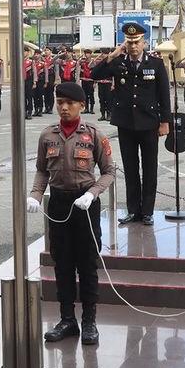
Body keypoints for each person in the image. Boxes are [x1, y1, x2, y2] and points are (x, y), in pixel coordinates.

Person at [27, 82, 115, 345]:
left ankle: (89, 321)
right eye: (59, 102)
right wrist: (34, 194)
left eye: (70, 103)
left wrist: (93, 193)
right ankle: (67, 319)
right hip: (59, 204)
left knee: (87, 264)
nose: (63, 108)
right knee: (62, 263)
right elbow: (42, 169)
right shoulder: (47, 135)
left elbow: (109, 171)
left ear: (82, 106)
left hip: (85, 204)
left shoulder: (95, 135)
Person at [90, 22, 170, 226]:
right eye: (130, 42)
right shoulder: (119, 62)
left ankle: (148, 211)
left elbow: (164, 95)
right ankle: (133, 210)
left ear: (144, 43)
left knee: (150, 168)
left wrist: (165, 122)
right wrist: (113, 54)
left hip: (149, 123)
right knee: (130, 168)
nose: (133, 46)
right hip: (126, 123)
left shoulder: (156, 64)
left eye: (137, 42)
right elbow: (95, 74)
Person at [94, 49, 114, 122]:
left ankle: (109, 114)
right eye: (102, 54)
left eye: (105, 54)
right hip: (101, 83)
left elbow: (114, 75)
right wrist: (95, 82)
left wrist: (113, 84)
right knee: (101, 99)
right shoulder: (100, 63)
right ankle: (102, 115)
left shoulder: (111, 63)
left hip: (108, 83)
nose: (103, 55)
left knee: (108, 100)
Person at [32, 50, 48, 118]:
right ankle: (36, 110)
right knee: (34, 96)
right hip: (33, 81)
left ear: (40, 55)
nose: (36, 55)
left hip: (41, 81)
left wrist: (46, 81)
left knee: (40, 96)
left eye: (38, 54)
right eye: (35, 54)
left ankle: (40, 110)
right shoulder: (32, 63)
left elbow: (46, 73)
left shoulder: (43, 63)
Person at [80, 49, 96, 114]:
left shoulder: (93, 62)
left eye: (88, 53)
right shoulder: (83, 62)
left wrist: (95, 82)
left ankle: (91, 109)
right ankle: (86, 108)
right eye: (86, 53)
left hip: (90, 80)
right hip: (84, 80)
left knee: (91, 95)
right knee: (85, 95)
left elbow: (95, 72)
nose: (87, 55)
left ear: (90, 54)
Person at [43, 47, 58, 114]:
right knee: (45, 93)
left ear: (50, 51)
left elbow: (56, 70)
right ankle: (46, 107)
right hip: (44, 77)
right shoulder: (43, 59)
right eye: (45, 50)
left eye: (48, 50)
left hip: (51, 76)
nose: (46, 52)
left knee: (50, 93)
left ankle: (50, 108)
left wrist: (56, 79)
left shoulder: (53, 59)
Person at [22, 53, 36, 120]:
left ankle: (29, 112)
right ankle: (24, 112)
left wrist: (34, 82)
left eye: (25, 51)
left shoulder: (31, 62)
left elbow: (34, 72)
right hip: (21, 82)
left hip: (29, 81)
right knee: (23, 98)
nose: (23, 53)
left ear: (27, 52)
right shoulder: (19, 61)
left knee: (29, 97)